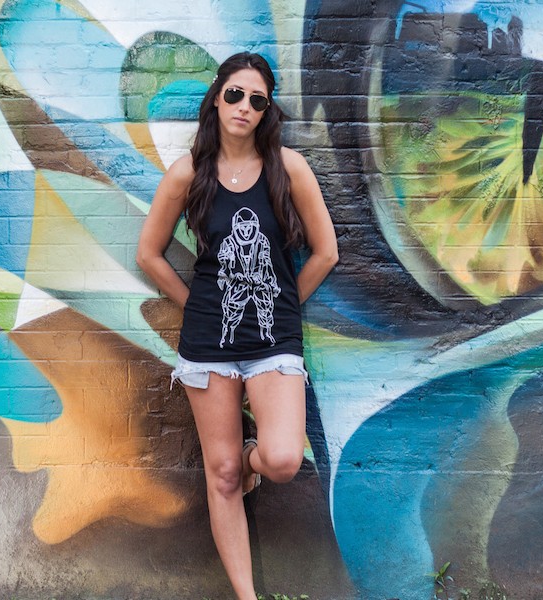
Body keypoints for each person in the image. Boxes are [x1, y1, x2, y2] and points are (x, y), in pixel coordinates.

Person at [136, 52, 338, 599]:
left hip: (273, 340)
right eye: (234, 94)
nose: (244, 106)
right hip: (209, 342)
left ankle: (252, 458)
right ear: (216, 99)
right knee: (222, 475)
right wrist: (193, 304)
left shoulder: (288, 168)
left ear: (267, 111)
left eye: (257, 100)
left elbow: (326, 252)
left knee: (283, 460)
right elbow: (149, 254)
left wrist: (282, 302)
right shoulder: (188, 173)